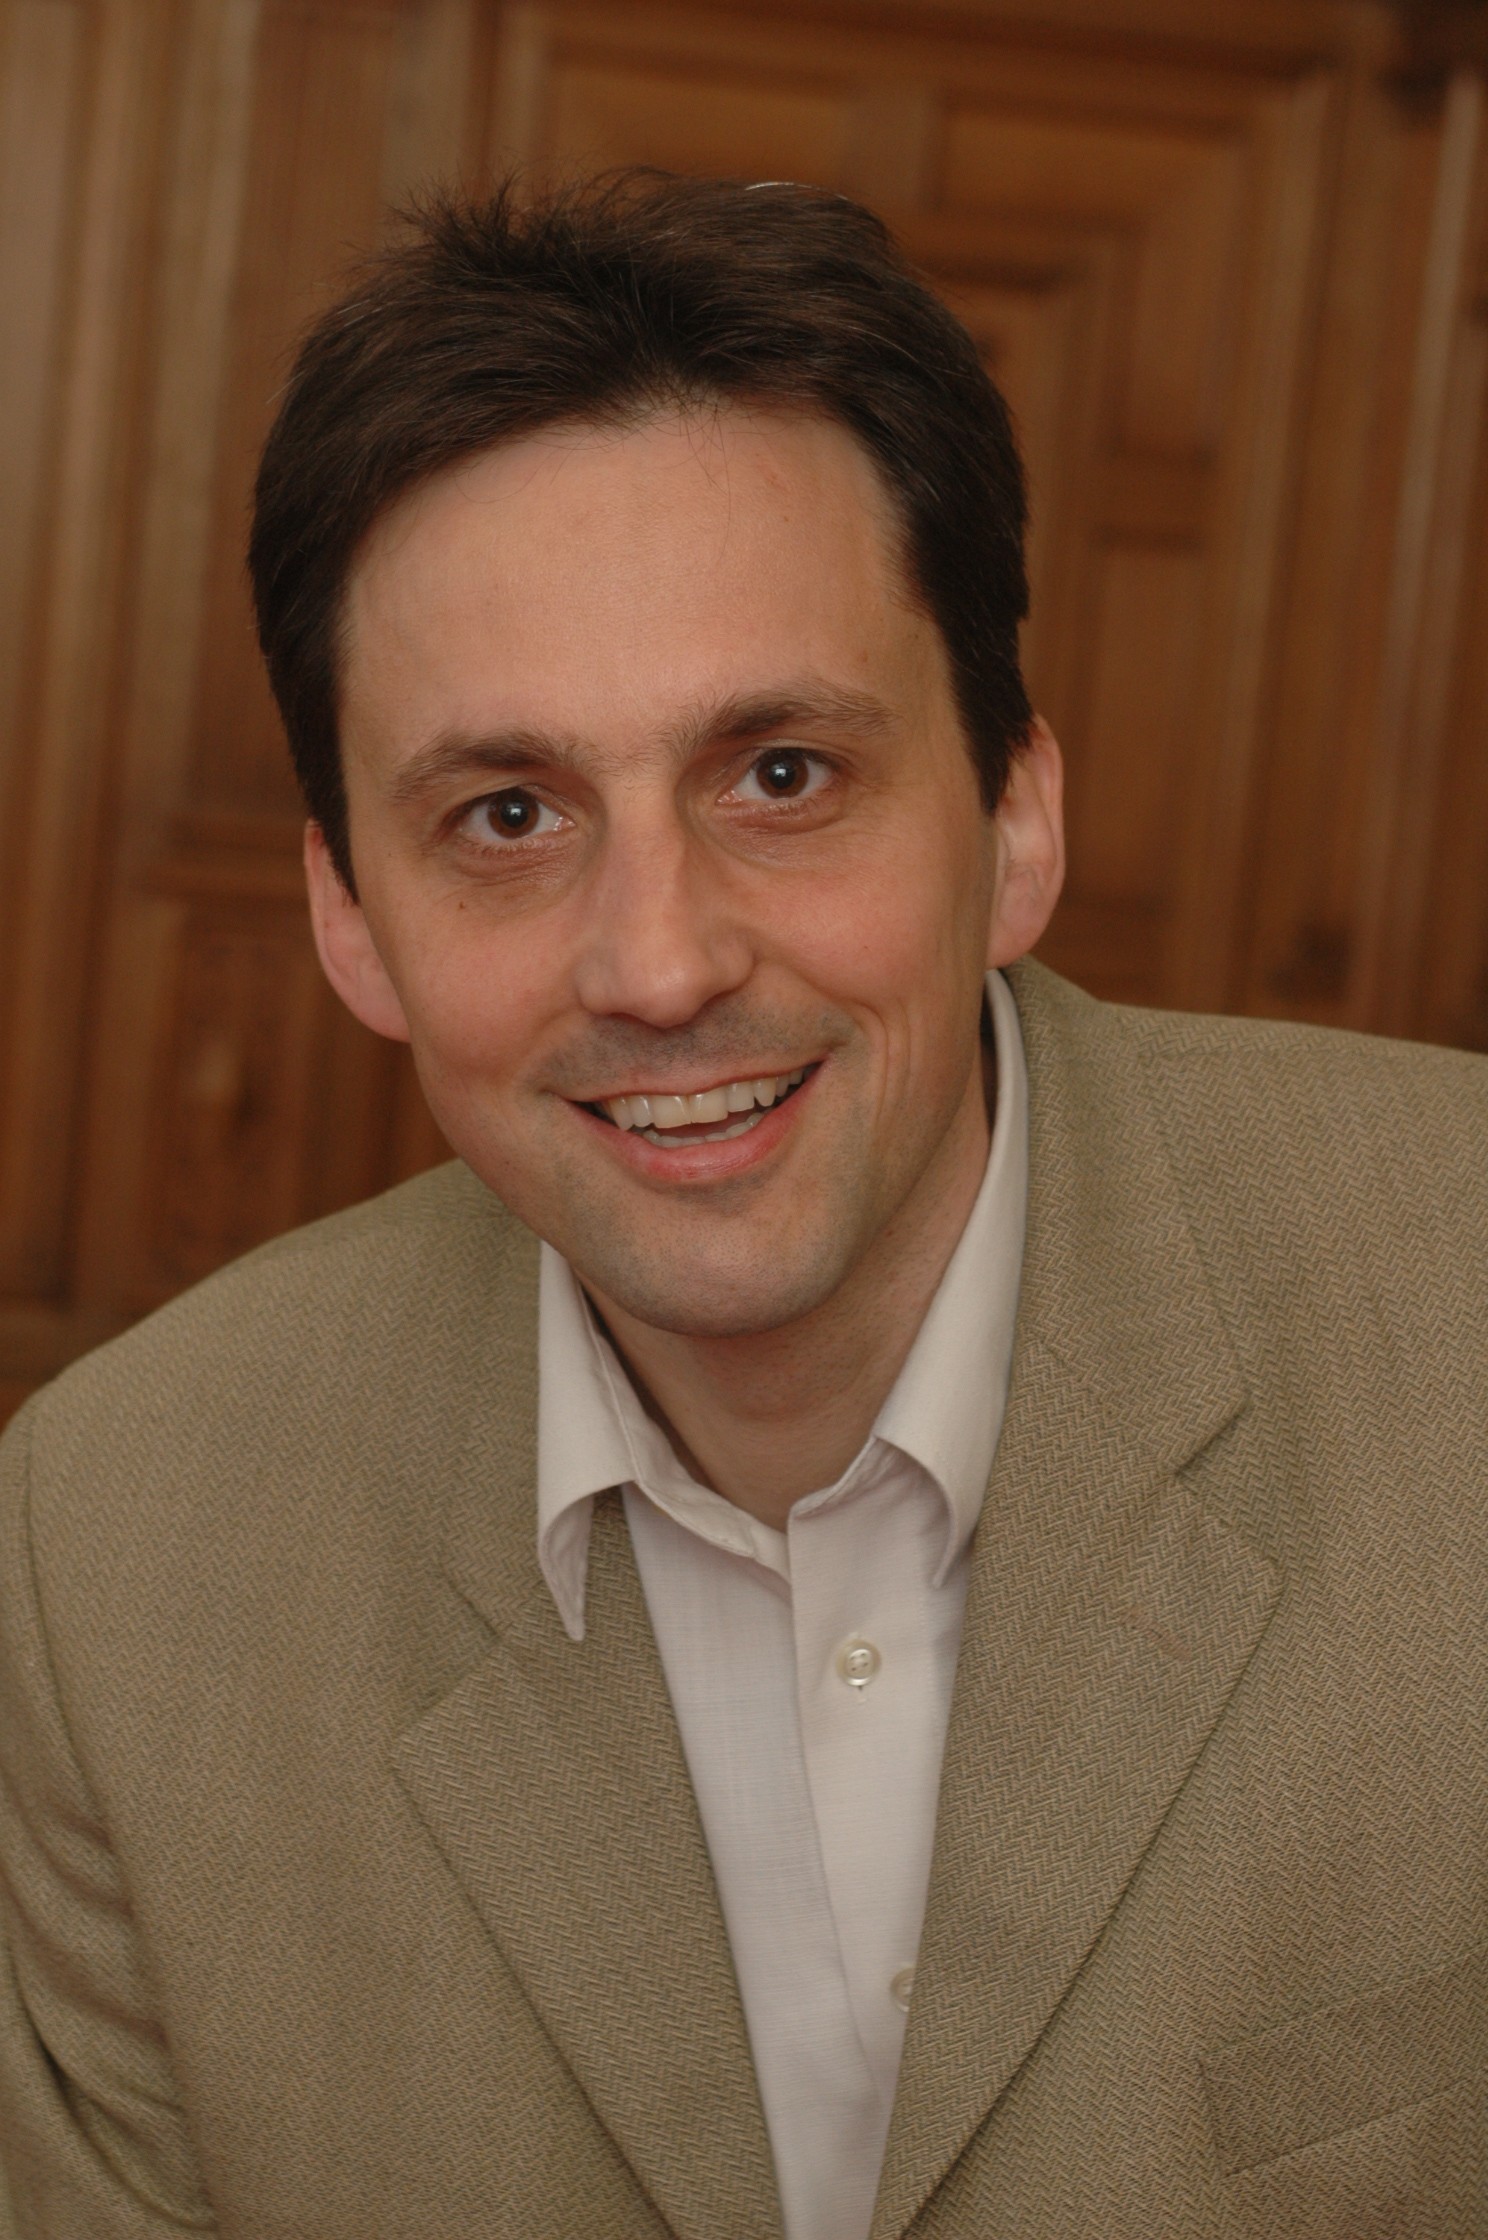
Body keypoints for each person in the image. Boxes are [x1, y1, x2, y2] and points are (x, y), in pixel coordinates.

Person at [0, 171, 1484, 2240]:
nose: (659, 961)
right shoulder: (110, 1553)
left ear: (1016, 815)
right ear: (348, 918)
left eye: (781, 775)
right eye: (507, 814)